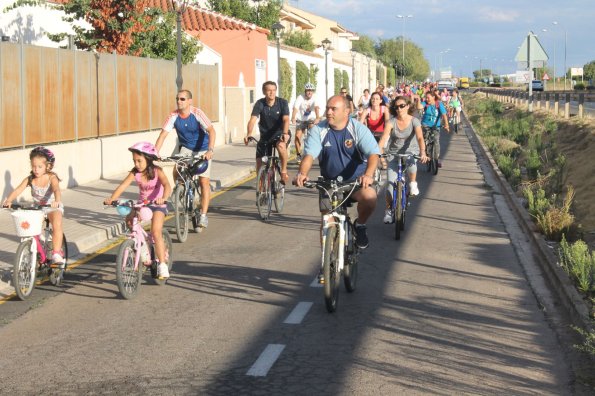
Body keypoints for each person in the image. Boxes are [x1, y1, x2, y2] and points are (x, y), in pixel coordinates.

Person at [294, 95, 380, 251]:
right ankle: (326, 263)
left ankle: (360, 225)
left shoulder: (358, 129)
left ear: (347, 111)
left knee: (370, 197)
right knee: (328, 222)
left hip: (355, 182)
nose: (328, 112)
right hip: (329, 184)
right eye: (327, 108)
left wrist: (368, 175)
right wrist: (302, 173)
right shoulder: (319, 130)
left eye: (333, 109)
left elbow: (374, 154)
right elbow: (309, 156)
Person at [104, 142, 172, 279]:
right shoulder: (135, 173)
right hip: (143, 204)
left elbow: (167, 185)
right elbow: (123, 186)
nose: (136, 164)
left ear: (148, 159)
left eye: (139, 161)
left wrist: (163, 198)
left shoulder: (157, 171)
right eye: (134, 161)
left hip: (157, 204)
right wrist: (112, 199)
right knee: (129, 220)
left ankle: (163, 265)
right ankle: (144, 249)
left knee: (155, 231)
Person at [155, 89, 216, 229]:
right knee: (177, 169)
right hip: (186, 148)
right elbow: (163, 135)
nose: (179, 101)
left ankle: (203, 216)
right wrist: (154, 153)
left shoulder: (197, 113)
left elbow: (212, 130)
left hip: (202, 149)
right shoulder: (173, 115)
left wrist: (210, 150)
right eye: (177, 99)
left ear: (189, 101)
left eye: (182, 99)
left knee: (203, 181)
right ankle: (182, 191)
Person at [2, 147, 65, 267]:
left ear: (48, 166)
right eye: (33, 166)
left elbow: (56, 189)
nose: (36, 169)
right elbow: (18, 190)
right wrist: (8, 200)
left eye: (39, 167)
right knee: (29, 226)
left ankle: (56, 252)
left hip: (52, 206)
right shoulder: (30, 179)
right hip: (38, 208)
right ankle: (35, 249)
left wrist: (57, 201)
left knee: (57, 223)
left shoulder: (52, 177)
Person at [378, 96, 429, 223]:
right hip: (394, 154)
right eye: (396, 107)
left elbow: (420, 138)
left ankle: (412, 183)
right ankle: (389, 210)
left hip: (410, 152)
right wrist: (378, 151)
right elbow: (384, 137)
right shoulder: (391, 122)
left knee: (411, 163)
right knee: (390, 185)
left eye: (402, 106)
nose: (399, 109)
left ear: (407, 106)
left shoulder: (414, 121)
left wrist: (423, 152)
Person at [245, 81, 290, 183]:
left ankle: (283, 171)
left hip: (281, 133)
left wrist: (285, 133)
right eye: (269, 90)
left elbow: (286, 119)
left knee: (281, 146)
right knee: (259, 161)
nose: (272, 93)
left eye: (274, 90)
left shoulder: (282, 103)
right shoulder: (260, 103)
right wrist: (249, 134)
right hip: (265, 136)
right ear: (264, 91)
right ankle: (261, 188)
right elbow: (252, 120)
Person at [291, 83, 320, 164]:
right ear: (305, 91)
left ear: (313, 92)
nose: (309, 92)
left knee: (312, 134)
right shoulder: (300, 97)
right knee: (297, 137)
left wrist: (317, 117)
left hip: (311, 119)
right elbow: (295, 108)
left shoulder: (315, 97)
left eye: (311, 91)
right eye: (308, 91)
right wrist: (293, 117)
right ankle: (298, 155)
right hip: (301, 119)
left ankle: (311, 153)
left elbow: (316, 107)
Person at [421, 91, 449, 167]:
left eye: (428, 97)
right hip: (425, 124)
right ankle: (425, 153)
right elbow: (419, 107)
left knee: (436, 141)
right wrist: (417, 101)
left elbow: (444, 115)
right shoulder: (425, 103)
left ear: (433, 97)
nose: (427, 99)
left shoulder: (438, 104)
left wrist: (446, 125)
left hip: (436, 126)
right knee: (425, 139)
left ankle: (436, 159)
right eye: (426, 97)